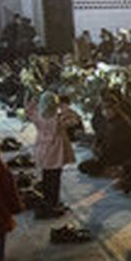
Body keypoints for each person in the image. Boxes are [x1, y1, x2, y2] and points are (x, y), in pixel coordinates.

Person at [25, 90, 80, 218]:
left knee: (46, 177)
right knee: (55, 178)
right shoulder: (59, 119)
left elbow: (28, 111)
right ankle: (54, 202)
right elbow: (75, 119)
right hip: (56, 150)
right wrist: (64, 106)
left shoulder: (38, 117)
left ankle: (47, 200)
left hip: (42, 149)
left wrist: (34, 101)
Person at [78, 97, 131, 176]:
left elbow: (115, 145)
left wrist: (100, 155)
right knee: (83, 166)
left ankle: (112, 169)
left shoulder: (121, 123)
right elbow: (100, 136)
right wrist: (96, 145)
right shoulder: (108, 121)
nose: (106, 111)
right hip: (106, 154)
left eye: (109, 108)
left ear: (115, 108)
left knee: (86, 167)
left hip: (119, 156)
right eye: (104, 109)